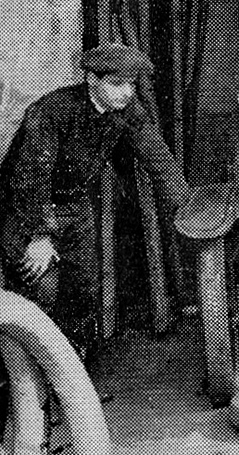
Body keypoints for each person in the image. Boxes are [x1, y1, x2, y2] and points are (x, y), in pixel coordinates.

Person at [1, 44, 186, 356]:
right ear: (91, 79)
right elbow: (30, 178)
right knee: (38, 290)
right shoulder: (51, 111)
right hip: (22, 209)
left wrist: (185, 205)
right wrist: (40, 235)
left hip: (75, 204)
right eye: (117, 84)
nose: (127, 92)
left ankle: (73, 370)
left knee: (83, 287)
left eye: (132, 84)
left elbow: (157, 156)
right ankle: (29, 380)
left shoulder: (126, 110)